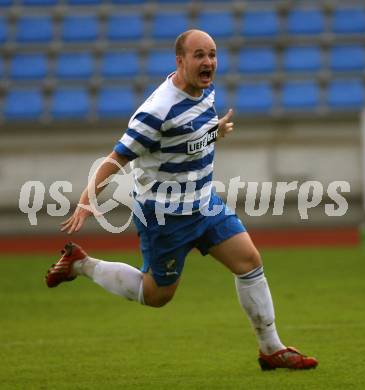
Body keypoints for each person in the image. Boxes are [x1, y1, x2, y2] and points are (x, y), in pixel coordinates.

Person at [45, 30, 318, 370]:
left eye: (212, 55)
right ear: (180, 61)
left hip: (204, 202)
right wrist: (88, 200)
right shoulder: (155, 112)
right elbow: (116, 158)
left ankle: (271, 349)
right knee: (157, 295)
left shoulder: (205, 91)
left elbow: (189, 134)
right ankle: (82, 265)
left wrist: (213, 133)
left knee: (249, 262)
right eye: (199, 55)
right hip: (165, 214)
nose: (208, 62)